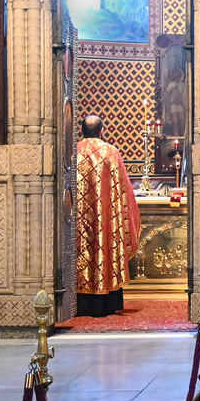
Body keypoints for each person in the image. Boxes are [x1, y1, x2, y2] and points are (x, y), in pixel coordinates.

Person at [75, 114, 141, 317]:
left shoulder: (72, 151)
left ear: (81, 131)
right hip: (106, 221)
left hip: (79, 220)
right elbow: (123, 190)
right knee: (103, 247)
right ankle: (106, 303)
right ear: (102, 131)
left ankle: (80, 303)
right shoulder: (112, 152)